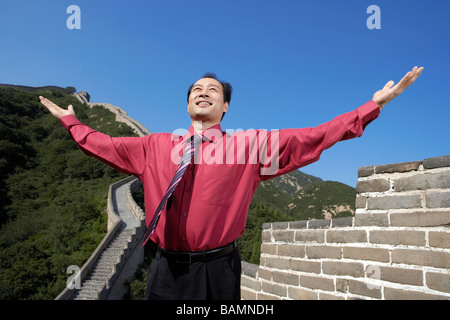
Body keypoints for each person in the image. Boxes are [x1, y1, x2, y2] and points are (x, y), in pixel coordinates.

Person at [39, 66, 423, 300]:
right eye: (196, 90)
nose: (203, 92)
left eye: (213, 90)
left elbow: (313, 136)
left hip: (218, 269)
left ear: (224, 107)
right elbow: (101, 144)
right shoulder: (153, 147)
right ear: (187, 104)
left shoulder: (249, 147)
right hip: (163, 269)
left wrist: (371, 107)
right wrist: (72, 122)